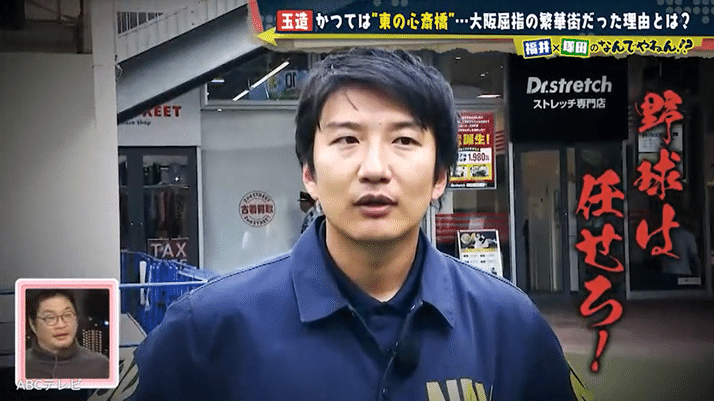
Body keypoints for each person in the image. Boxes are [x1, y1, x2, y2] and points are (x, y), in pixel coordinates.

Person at [130, 48, 584, 400]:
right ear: (309, 172)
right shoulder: (206, 330)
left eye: (404, 140)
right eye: (347, 138)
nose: (374, 169)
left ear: (440, 176)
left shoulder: (510, 327)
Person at [25, 289, 109, 379]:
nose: (61, 325)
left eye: (67, 315)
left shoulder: (100, 365)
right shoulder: (21, 365)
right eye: (50, 318)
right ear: (32, 324)